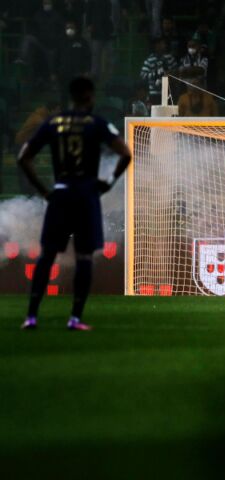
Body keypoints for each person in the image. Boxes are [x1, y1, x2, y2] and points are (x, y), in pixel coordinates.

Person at [17, 77, 132, 330]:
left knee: (47, 255)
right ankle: (75, 318)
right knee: (84, 257)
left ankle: (32, 316)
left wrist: (44, 191)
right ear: (89, 96)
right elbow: (126, 153)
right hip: (87, 195)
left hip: (60, 194)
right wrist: (109, 183)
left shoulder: (53, 123)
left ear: (71, 96)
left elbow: (23, 157)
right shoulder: (96, 123)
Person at [140, 37, 178, 105]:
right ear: (157, 45)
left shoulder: (170, 58)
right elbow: (143, 75)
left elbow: (176, 73)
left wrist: (170, 73)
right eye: (162, 44)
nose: (164, 45)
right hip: (154, 93)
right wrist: (157, 73)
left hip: (169, 92)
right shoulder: (150, 59)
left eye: (164, 44)